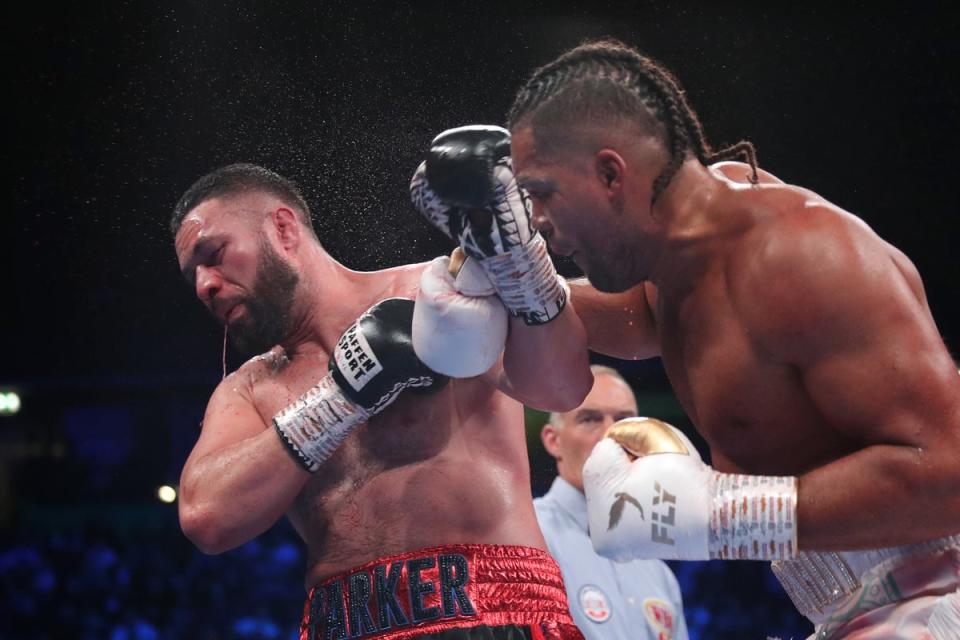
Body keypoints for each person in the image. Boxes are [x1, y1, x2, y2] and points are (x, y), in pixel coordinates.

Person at [494, 39, 960, 639]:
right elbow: (624, 319)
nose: (534, 218)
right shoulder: (681, 274)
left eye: (541, 192)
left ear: (611, 173)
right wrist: (514, 277)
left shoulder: (803, 257)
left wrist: (723, 515)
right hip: (850, 614)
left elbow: (949, 475)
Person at [170, 163, 593, 640]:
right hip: (344, 624)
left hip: (495, 610)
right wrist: (339, 398)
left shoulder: (434, 294)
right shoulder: (247, 389)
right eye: (194, 276)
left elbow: (560, 389)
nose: (205, 285)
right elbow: (205, 518)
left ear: (283, 229)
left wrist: (518, 264)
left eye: (215, 254)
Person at [535, 365, 687, 640]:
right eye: (590, 419)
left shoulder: (657, 571)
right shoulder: (529, 536)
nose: (610, 435)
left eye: (624, 421)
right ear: (553, 440)